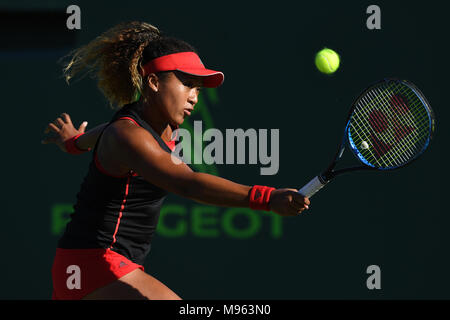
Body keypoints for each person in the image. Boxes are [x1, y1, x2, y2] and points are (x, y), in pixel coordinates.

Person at [42, 21, 310, 300]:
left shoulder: (145, 126)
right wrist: (265, 198)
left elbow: (100, 133)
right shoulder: (129, 136)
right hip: (95, 266)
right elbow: (188, 184)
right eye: (188, 84)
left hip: (88, 266)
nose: (194, 97)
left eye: (198, 89)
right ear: (154, 82)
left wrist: (74, 142)